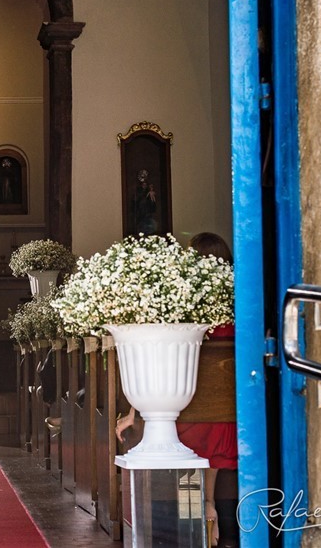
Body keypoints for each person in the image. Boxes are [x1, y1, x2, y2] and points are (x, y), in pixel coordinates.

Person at [115, 231, 238, 546]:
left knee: (186, 444)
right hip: (230, 422)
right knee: (212, 436)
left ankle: (195, 513)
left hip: (190, 423)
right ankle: (210, 506)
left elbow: (158, 364)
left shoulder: (187, 310)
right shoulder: (240, 308)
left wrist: (134, 414)